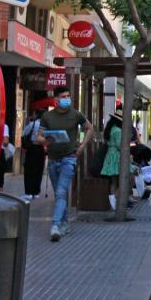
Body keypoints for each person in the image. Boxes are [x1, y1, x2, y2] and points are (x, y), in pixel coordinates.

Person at [38, 86, 94, 241]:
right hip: (53, 159)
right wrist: (46, 140)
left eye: (68, 96)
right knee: (58, 194)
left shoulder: (76, 115)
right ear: (56, 100)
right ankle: (64, 223)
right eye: (63, 96)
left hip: (69, 158)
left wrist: (82, 146)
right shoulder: (47, 117)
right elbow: (39, 137)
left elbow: (89, 128)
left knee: (61, 192)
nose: (67, 99)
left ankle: (55, 225)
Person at [100, 113, 124, 211]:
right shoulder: (118, 131)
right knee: (124, 179)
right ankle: (114, 199)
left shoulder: (110, 129)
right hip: (116, 156)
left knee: (113, 180)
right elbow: (119, 145)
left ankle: (112, 201)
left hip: (110, 155)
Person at [21, 111, 46, 199]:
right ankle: (36, 192)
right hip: (41, 149)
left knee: (29, 170)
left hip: (32, 148)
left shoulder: (32, 124)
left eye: (34, 114)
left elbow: (24, 134)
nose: (33, 115)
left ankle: (28, 192)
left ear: (36, 115)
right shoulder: (46, 126)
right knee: (39, 170)